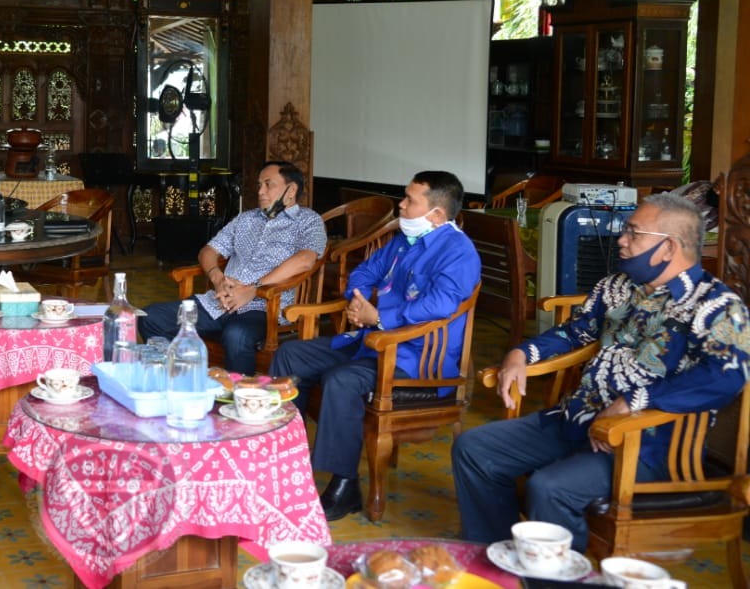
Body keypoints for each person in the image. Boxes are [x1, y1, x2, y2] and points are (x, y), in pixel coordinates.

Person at [452, 193, 750, 551]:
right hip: (578, 420)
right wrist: (521, 353)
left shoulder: (716, 305)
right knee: (474, 448)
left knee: (549, 487)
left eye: (633, 233)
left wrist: (633, 401)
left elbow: (724, 377)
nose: (621, 241)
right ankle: (498, 559)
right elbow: (574, 332)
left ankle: (556, 579)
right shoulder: (616, 287)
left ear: (669, 247)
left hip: (649, 446)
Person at [270, 171, 481, 521]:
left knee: (342, 379)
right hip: (371, 343)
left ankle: (345, 485)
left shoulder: (459, 253)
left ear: (437, 216)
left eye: (410, 200)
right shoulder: (403, 240)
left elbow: (441, 305)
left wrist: (379, 317)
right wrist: (359, 300)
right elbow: (365, 272)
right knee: (291, 354)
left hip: (415, 359)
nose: (400, 204)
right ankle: (284, 462)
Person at [138, 161, 326, 374]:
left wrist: (253, 289)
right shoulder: (246, 219)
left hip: (264, 307)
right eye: (259, 185)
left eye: (268, 184)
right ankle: (185, 378)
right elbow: (207, 252)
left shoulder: (309, 221)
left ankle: (238, 397)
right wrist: (217, 279)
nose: (260, 191)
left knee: (236, 335)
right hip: (218, 301)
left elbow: (305, 259)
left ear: (290, 190)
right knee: (149, 316)